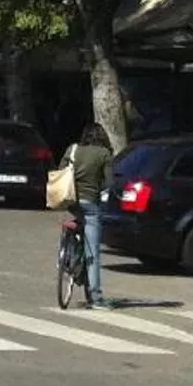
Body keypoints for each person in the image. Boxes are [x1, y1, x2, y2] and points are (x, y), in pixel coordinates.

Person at [64, 122, 116, 307]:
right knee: (93, 252)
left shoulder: (73, 149)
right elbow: (109, 183)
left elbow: (61, 171)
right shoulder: (104, 154)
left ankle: (68, 257)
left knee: (79, 219)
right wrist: (97, 191)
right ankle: (95, 297)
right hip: (90, 203)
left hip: (70, 201)